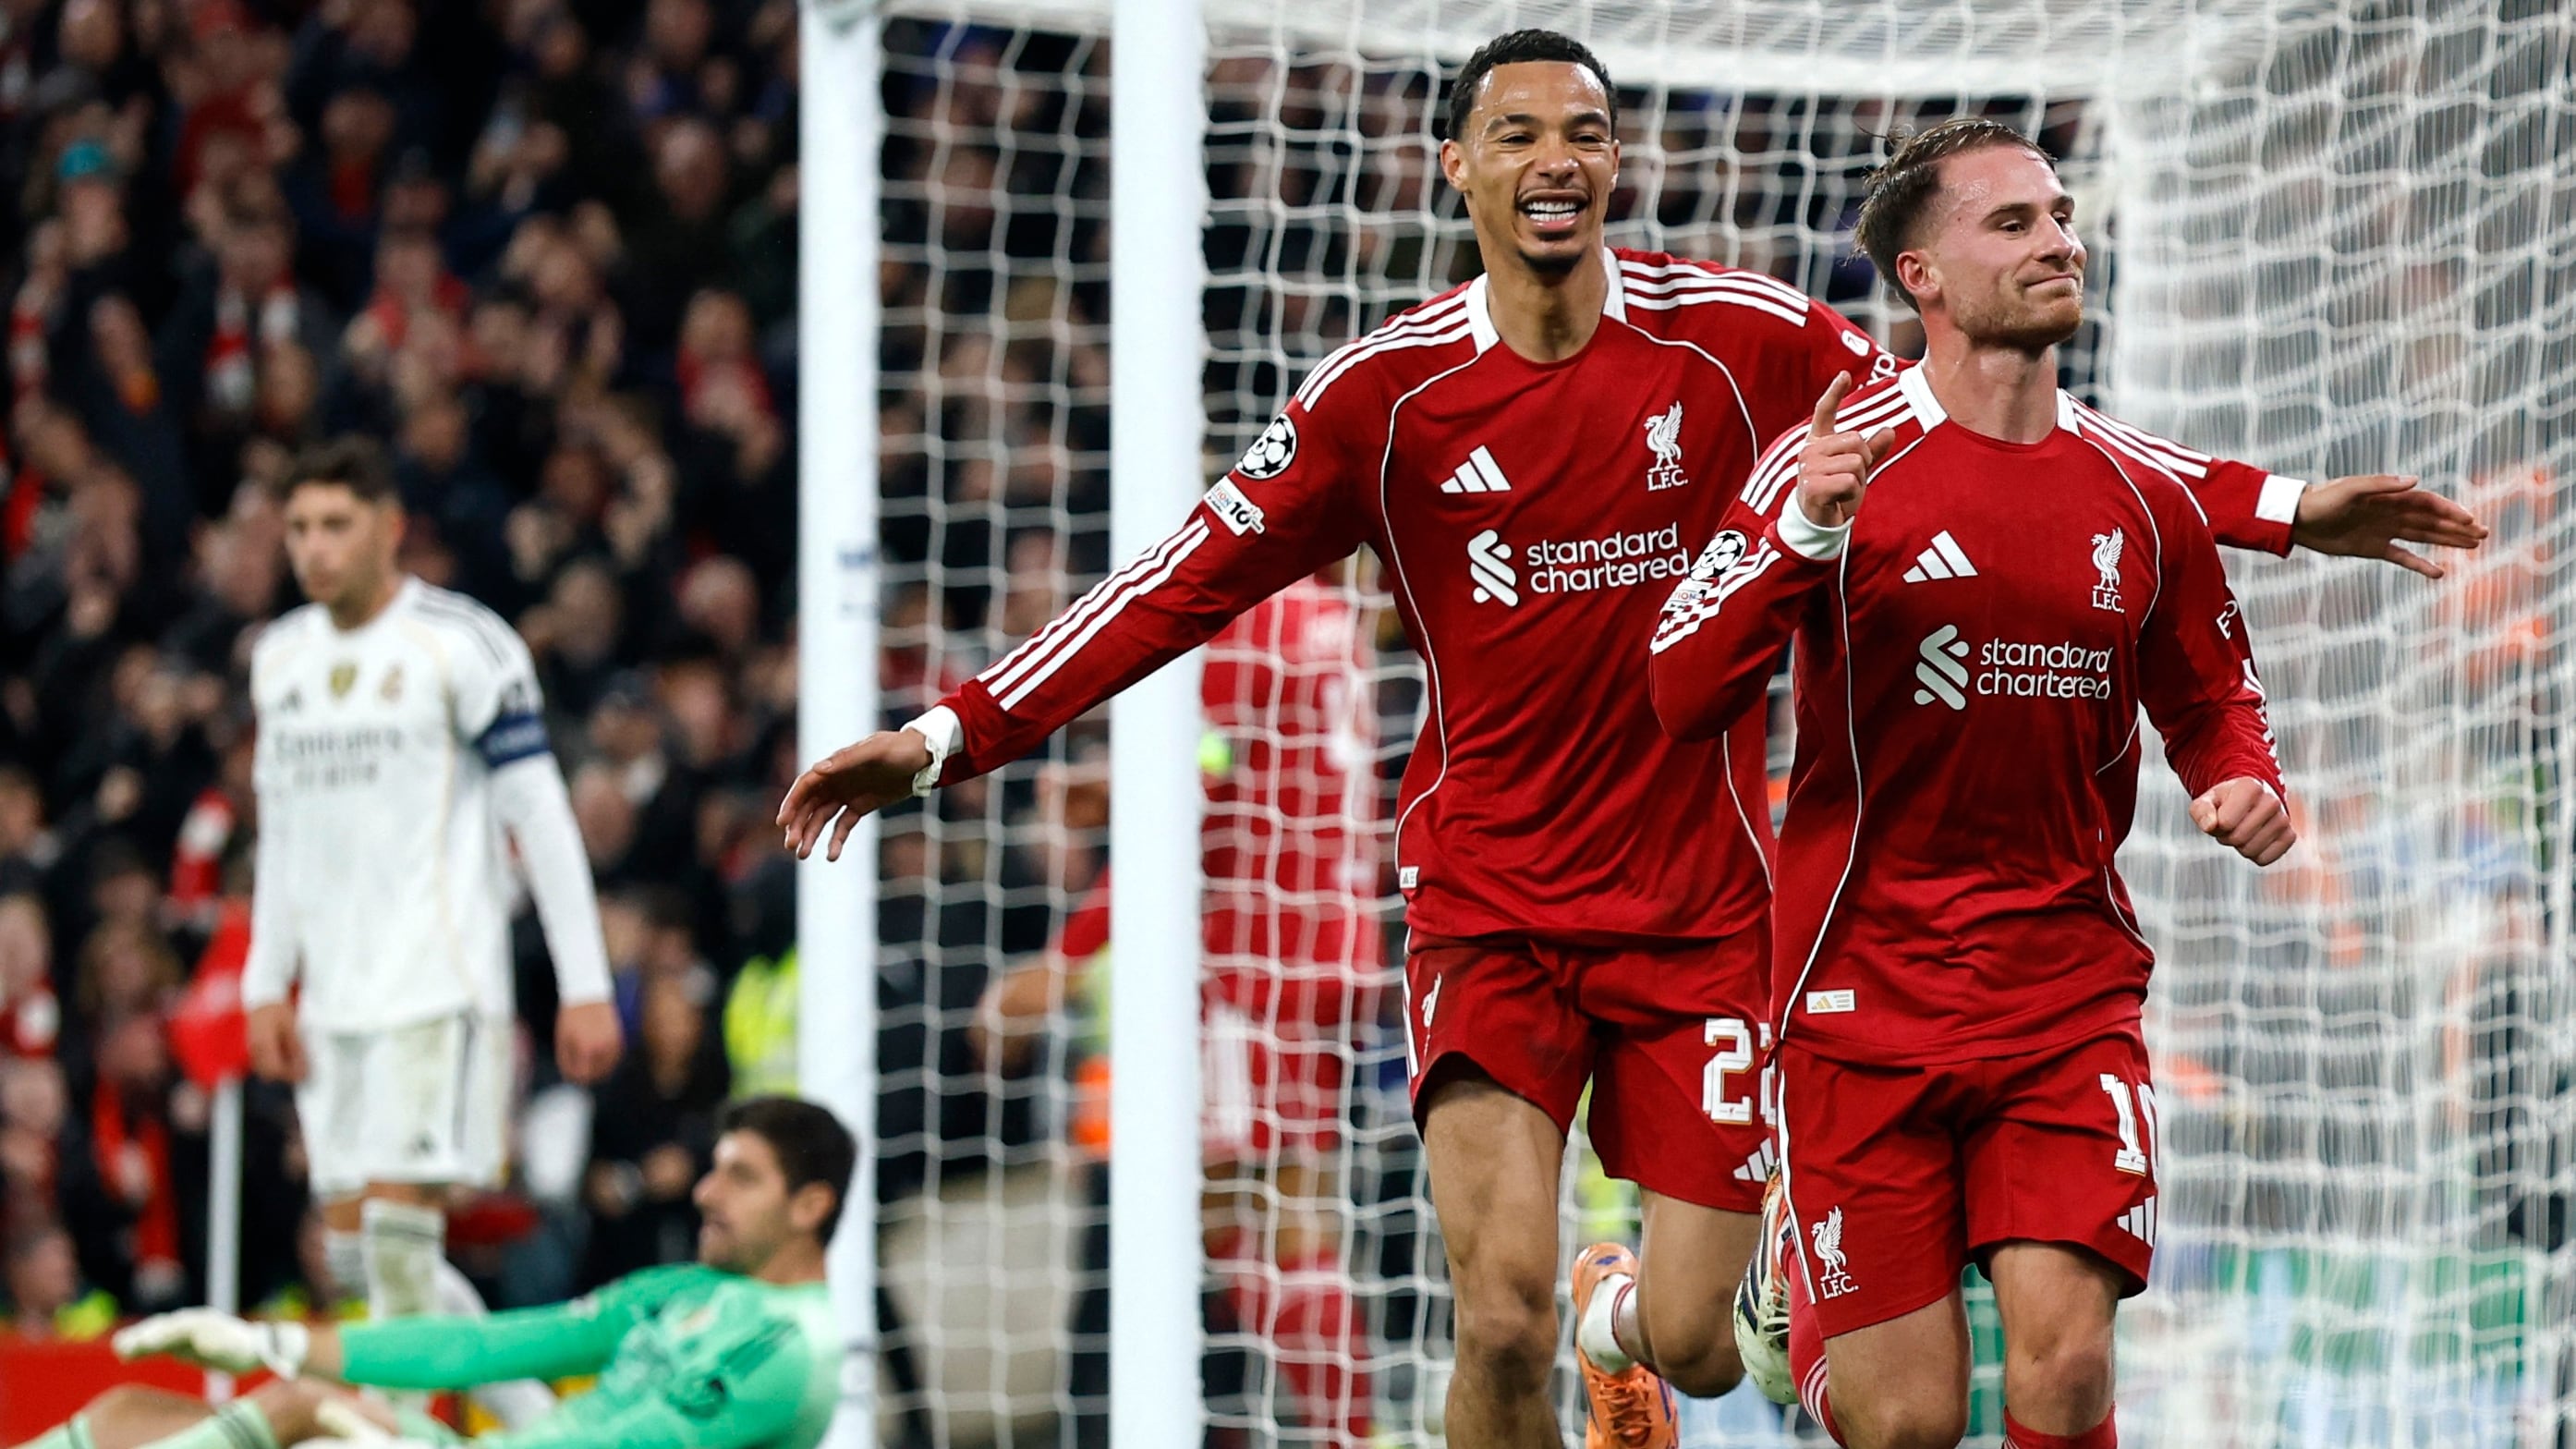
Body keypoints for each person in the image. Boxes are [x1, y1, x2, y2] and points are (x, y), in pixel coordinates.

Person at [780, 34, 2473, 1449]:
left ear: (1616, 165)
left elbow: (1988, 421)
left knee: (1695, 1341)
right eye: (1515, 133)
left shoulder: (1735, 340)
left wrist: (2269, 508)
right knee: (1494, 1311)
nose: (1556, 157)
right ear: (1453, 169)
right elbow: (1176, 582)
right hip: (1490, 904)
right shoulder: (1383, 400)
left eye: (1586, 132)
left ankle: (1624, 1319)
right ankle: (1556, 1321)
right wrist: (945, 734)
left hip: (1703, 914)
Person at [1649, 117, 2293, 1449]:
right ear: (1920, 276)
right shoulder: (1834, 465)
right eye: (2012, 224)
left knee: (2066, 1371)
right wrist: (1803, 530)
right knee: (1909, 1428)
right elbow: (1679, 689)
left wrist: (2242, 778)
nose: (2059, 239)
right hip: (1858, 997)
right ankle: (1794, 1304)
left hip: (2065, 992)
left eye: (2058, 215)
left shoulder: (2144, 489)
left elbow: (2212, 692)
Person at [238, 437, 623, 1408]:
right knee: (358, 1256)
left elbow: (541, 814)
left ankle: (399, 1433)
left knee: (401, 1245)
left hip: (438, 985)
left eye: (336, 524)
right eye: (299, 527)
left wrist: (583, 983)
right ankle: (544, 1428)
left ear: (390, 527)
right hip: (332, 999)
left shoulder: (463, 644)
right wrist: (262, 981)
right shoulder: (280, 659)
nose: (315, 548)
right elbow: (282, 830)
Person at [978, 577, 1380, 1445]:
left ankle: (1349, 1433)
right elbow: (1233, 766)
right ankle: (1297, 1424)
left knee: (1250, 1211)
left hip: (1253, 953)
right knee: (1271, 1207)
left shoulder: (1243, 612)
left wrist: (1062, 961)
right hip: (1329, 935)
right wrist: (1120, 783)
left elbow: (1188, 805)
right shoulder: (1325, 614)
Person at [23, 1095, 852, 1449]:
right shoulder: (687, 1290)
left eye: (740, 1177)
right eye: (712, 1168)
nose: (705, 1192)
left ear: (812, 1205)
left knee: (305, 1413)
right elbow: (481, 1349)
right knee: (130, 1412)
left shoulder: (796, 1348)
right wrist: (264, 1340)